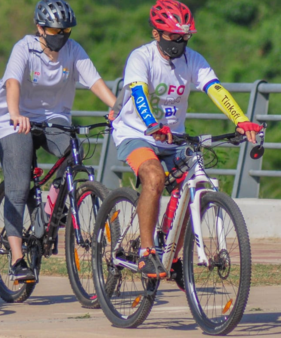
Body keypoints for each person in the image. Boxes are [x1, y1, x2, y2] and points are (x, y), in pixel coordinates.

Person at [111, 0, 263, 288]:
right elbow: (140, 95)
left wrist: (241, 120)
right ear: (156, 34)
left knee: (189, 187)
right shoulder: (140, 57)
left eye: (185, 37)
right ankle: (145, 252)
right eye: (173, 37)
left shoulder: (193, 59)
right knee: (154, 177)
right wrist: (152, 125)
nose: (180, 43)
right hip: (136, 132)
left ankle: (172, 254)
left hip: (174, 137)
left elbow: (215, 88)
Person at [0, 0, 117, 281]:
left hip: (53, 118)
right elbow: (12, 83)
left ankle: (52, 212)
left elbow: (94, 81)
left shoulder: (73, 50)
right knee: (20, 184)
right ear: (40, 28)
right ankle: (18, 258)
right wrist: (15, 114)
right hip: (13, 119)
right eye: (54, 30)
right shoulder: (25, 48)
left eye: (66, 30)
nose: (60, 36)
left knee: (74, 151)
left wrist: (115, 108)